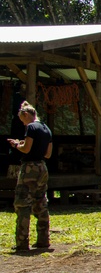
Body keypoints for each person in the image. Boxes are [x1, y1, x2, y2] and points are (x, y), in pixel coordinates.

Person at [9, 101, 52, 252]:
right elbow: (48, 153)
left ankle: (22, 242)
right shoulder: (47, 129)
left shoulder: (31, 127)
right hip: (42, 167)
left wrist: (16, 145)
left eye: (22, 120)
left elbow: (26, 149)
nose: (23, 123)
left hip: (29, 168)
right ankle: (43, 239)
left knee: (23, 204)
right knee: (41, 202)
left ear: (26, 115)